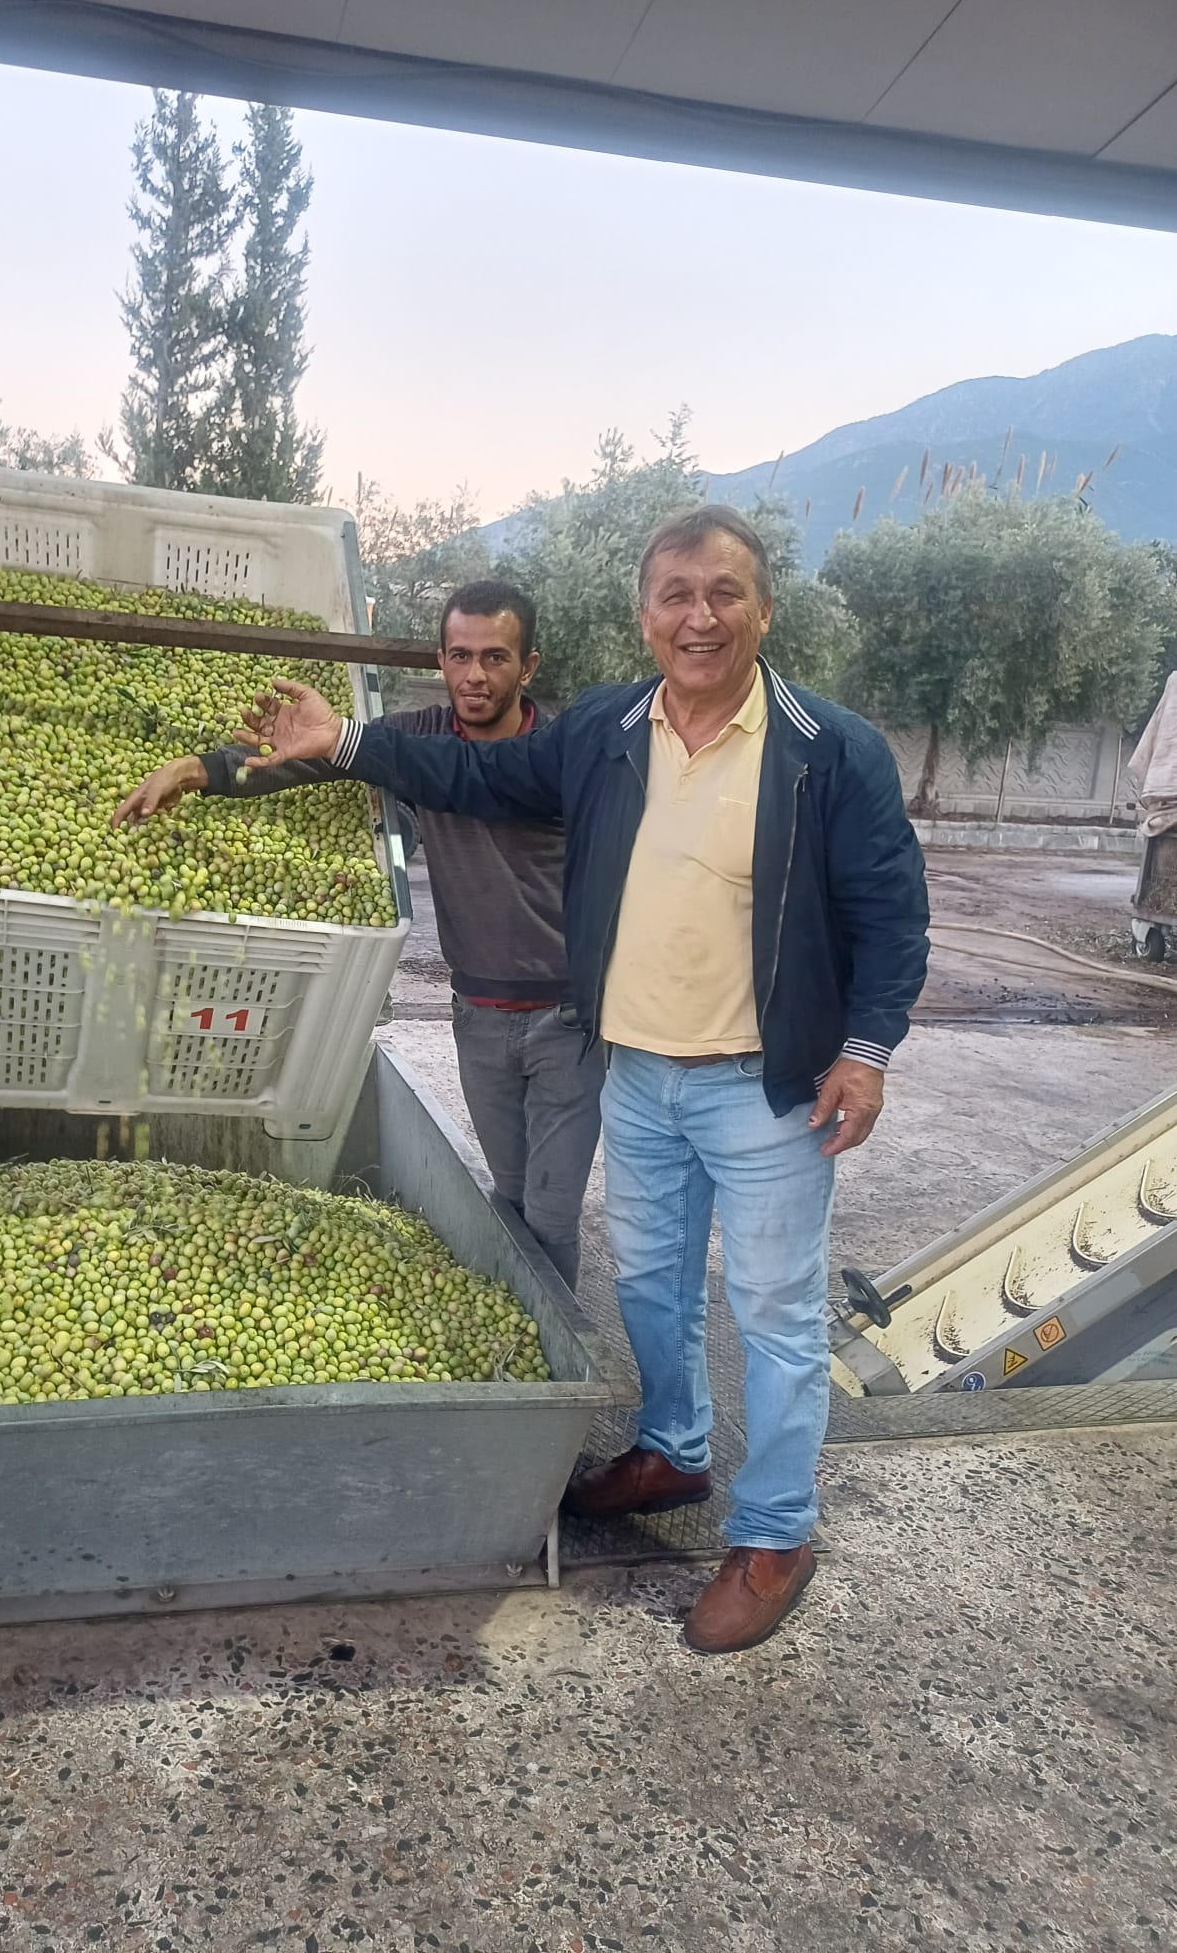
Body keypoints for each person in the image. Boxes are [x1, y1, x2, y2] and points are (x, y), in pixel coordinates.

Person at [230, 506, 930, 1655]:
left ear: (764, 609)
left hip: (768, 1088)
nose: (699, 616)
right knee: (651, 1286)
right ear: (645, 614)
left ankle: (774, 1534)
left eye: (724, 592)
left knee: (773, 1312)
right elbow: (473, 772)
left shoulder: (828, 748)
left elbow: (891, 914)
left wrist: (867, 1048)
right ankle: (674, 1449)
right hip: (638, 1073)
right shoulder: (606, 728)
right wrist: (345, 742)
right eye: (676, 595)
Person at [114, 580, 605, 1288]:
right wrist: (195, 770)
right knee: (510, 1196)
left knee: (552, 1217)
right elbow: (308, 757)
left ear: (528, 666)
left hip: (566, 1021)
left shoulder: (559, 751)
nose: (474, 675)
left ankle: (561, 1344)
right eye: (460, 656)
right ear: (440, 660)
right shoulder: (418, 736)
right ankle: (528, 1320)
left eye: (495, 658)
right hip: (478, 1016)